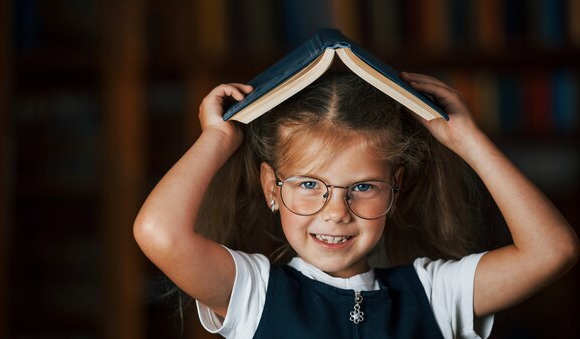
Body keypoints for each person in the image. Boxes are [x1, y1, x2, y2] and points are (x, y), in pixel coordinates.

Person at [134, 72, 579, 338]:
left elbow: (552, 250)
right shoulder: (254, 293)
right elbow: (159, 233)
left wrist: (467, 139)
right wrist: (216, 138)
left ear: (395, 188)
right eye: (310, 183)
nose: (335, 211)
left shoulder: (435, 294)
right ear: (272, 187)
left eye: (363, 187)